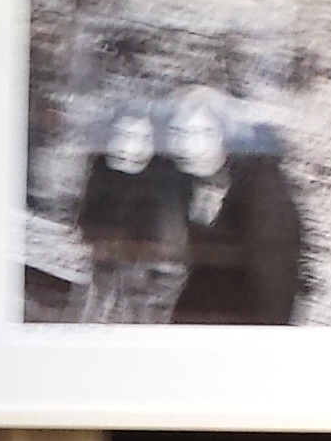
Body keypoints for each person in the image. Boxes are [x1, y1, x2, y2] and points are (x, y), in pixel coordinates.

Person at [165, 90, 305, 326]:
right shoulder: (183, 183)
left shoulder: (260, 191)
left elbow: (275, 284)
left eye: (203, 132)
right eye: (179, 133)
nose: (188, 145)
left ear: (225, 135)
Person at [71, 103, 185, 322]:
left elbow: (167, 256)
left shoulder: (165, 181)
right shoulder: (98, 171)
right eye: (123, 135)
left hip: (143, 286)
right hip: (101, 281)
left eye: (143, 138)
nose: (130, 146)